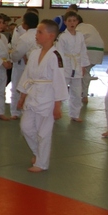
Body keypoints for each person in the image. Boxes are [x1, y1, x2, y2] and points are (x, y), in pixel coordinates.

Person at [17, 20, 67, 173]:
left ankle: (41, 163)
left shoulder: (55, 56)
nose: (36, 35)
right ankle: (39, 153)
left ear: (51, 36)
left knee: (44, 132)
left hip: (48, 97)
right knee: (25, 127)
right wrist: (22, 97)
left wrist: (58, 106)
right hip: (32, 94)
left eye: (40, 32)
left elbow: (59, 81)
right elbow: (27, 76)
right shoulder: (34, 53)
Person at [58, 11, 89, 122]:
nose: (72, 23)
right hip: (66, 65)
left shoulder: (80, 35)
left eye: (74, 20)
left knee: (76, 91)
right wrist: (60, 68)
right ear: (65, 22)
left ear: (77, 22)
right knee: (61, 90)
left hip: (77, 65)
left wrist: (83, 65)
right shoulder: (62, 37)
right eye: (69, 21)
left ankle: (75, 114)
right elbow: (59, 53)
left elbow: (83, 51)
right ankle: (56, 111)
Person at [9, 12, 38, 119]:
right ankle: (29, 111)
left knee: (17, 87)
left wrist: (11, 56)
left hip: (22, 65)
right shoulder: (40, 34)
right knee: (32, 89)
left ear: (25, 24)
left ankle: (15, 112)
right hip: (37, 67)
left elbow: (17, 53)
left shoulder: (25, 37)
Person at [75, 17, 105, 104]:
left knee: (84, 72)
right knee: (86, 71)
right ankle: (84, 94)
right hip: (99, 50)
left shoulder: (77, 29)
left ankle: (84, 95)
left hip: (90, 49)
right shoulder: (89, 26)